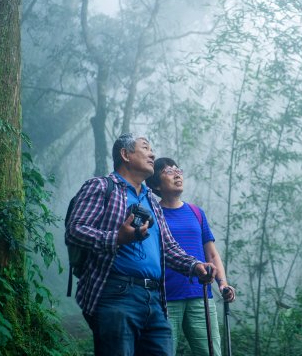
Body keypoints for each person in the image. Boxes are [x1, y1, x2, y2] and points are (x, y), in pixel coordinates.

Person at [65, 133, 216, 356]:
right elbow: (75, 230)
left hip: (154, 298)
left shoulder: (152, 202)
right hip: (116, 294)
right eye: (145, 148)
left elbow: (169, 247)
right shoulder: (101, 187)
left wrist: (196, 266)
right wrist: (117, 238)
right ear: (125, 155)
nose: (152, 154)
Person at [146, 157, 235, 356]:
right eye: (168, 171)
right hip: (165, 298)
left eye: (178, 170)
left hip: (201, 296)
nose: (177, 174)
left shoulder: (196, 212)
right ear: (156, 185)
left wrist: (222, 283)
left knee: (211, 352)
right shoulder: (152, 213)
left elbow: (211, 253)